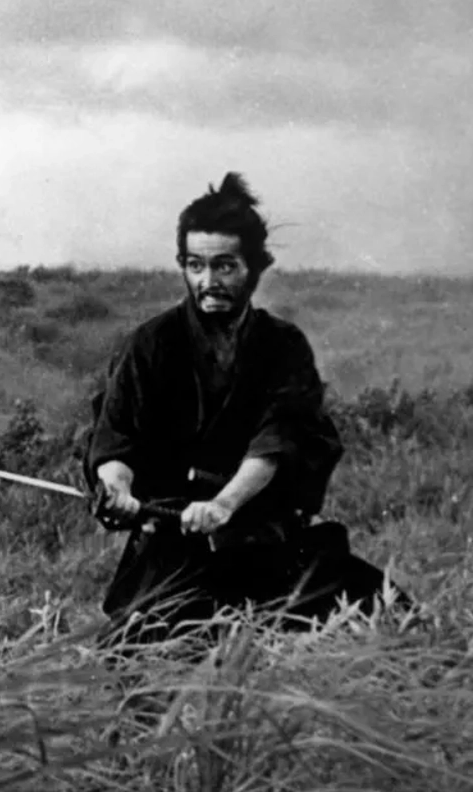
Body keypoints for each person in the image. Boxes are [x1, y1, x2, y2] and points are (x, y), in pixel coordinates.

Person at [83, 173, 382, 644]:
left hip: (265, 541)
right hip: (174, 550)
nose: (209, 281)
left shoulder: (284, 345)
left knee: (387, 627)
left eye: (225, 266)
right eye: (196, 265)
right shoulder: (149, 345)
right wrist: (117, 489)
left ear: (255, 267)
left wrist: (224, 504)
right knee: (145, 665)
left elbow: (277, 440)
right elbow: (115, 438)